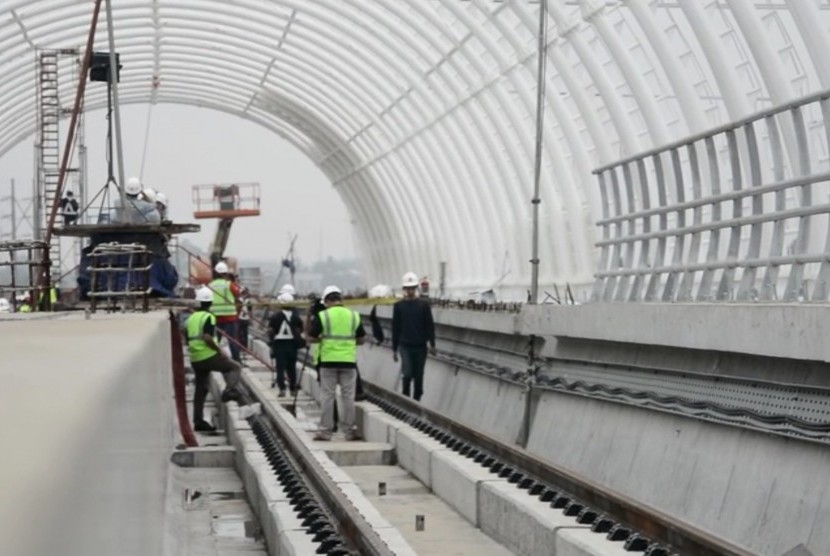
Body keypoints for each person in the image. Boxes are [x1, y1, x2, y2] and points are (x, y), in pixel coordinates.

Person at [307, 285, 366, 441]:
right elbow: (362, 339)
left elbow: (311, 337)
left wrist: (324, 339)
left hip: (328, 362)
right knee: (348, 397)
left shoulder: (323, 316)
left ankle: (325, 431)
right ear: (341, 299)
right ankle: (350, 431)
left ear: (326, 301)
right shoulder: (353, 316)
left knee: (327, 396)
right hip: (348, 362)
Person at [185, 286, 244, 432]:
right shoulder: (209, 317)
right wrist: (219, 351)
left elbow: (185, 335)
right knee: (235, 367)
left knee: (201, 389)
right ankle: (229, 391)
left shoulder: (191, 318)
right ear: (210, 303)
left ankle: (198, 421)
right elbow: (207, 337)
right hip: (208, 355)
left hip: (195, 358)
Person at [392, 271, 436, 402]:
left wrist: (432, 344)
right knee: (408, 373)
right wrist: (394, 349)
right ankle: (406, 396)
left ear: (416, 288)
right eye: (408, 288)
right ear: (404, 289)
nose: (410, 291)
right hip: (405, 346)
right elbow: (396, 328)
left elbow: (429, 325)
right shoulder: (398, 306)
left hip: (420, 347)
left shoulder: (423, 306)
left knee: (419, 375)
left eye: (412, 288)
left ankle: (417, 398)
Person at [268, 292, 304, 397]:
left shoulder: (275, 317)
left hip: (279, 344)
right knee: (291, 368)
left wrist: (272, 341)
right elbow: (300, 330)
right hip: (292, 345)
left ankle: (282, 389)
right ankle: (292, 389)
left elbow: (270, 331)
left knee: (280, 368)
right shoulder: (296, 317)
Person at [209, 261, 242, 363]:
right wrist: (237, 312)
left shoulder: (210, 285)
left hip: (215, 317)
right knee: (232, 341)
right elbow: (237, 297)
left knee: (215, 341)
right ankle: (237, 360)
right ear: (226, 273)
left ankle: (213, 359)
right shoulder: (229, 285)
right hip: (230, 317)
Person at [237, 287, 252, 352]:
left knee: (241, 333)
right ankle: (243, 347)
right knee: (243, 333)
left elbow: (250, 311)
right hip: (244, 319)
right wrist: (250, 319)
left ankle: (242, 347)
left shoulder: (239, 300)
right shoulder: (247, 301)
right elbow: (250, 311)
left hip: (241, 319)